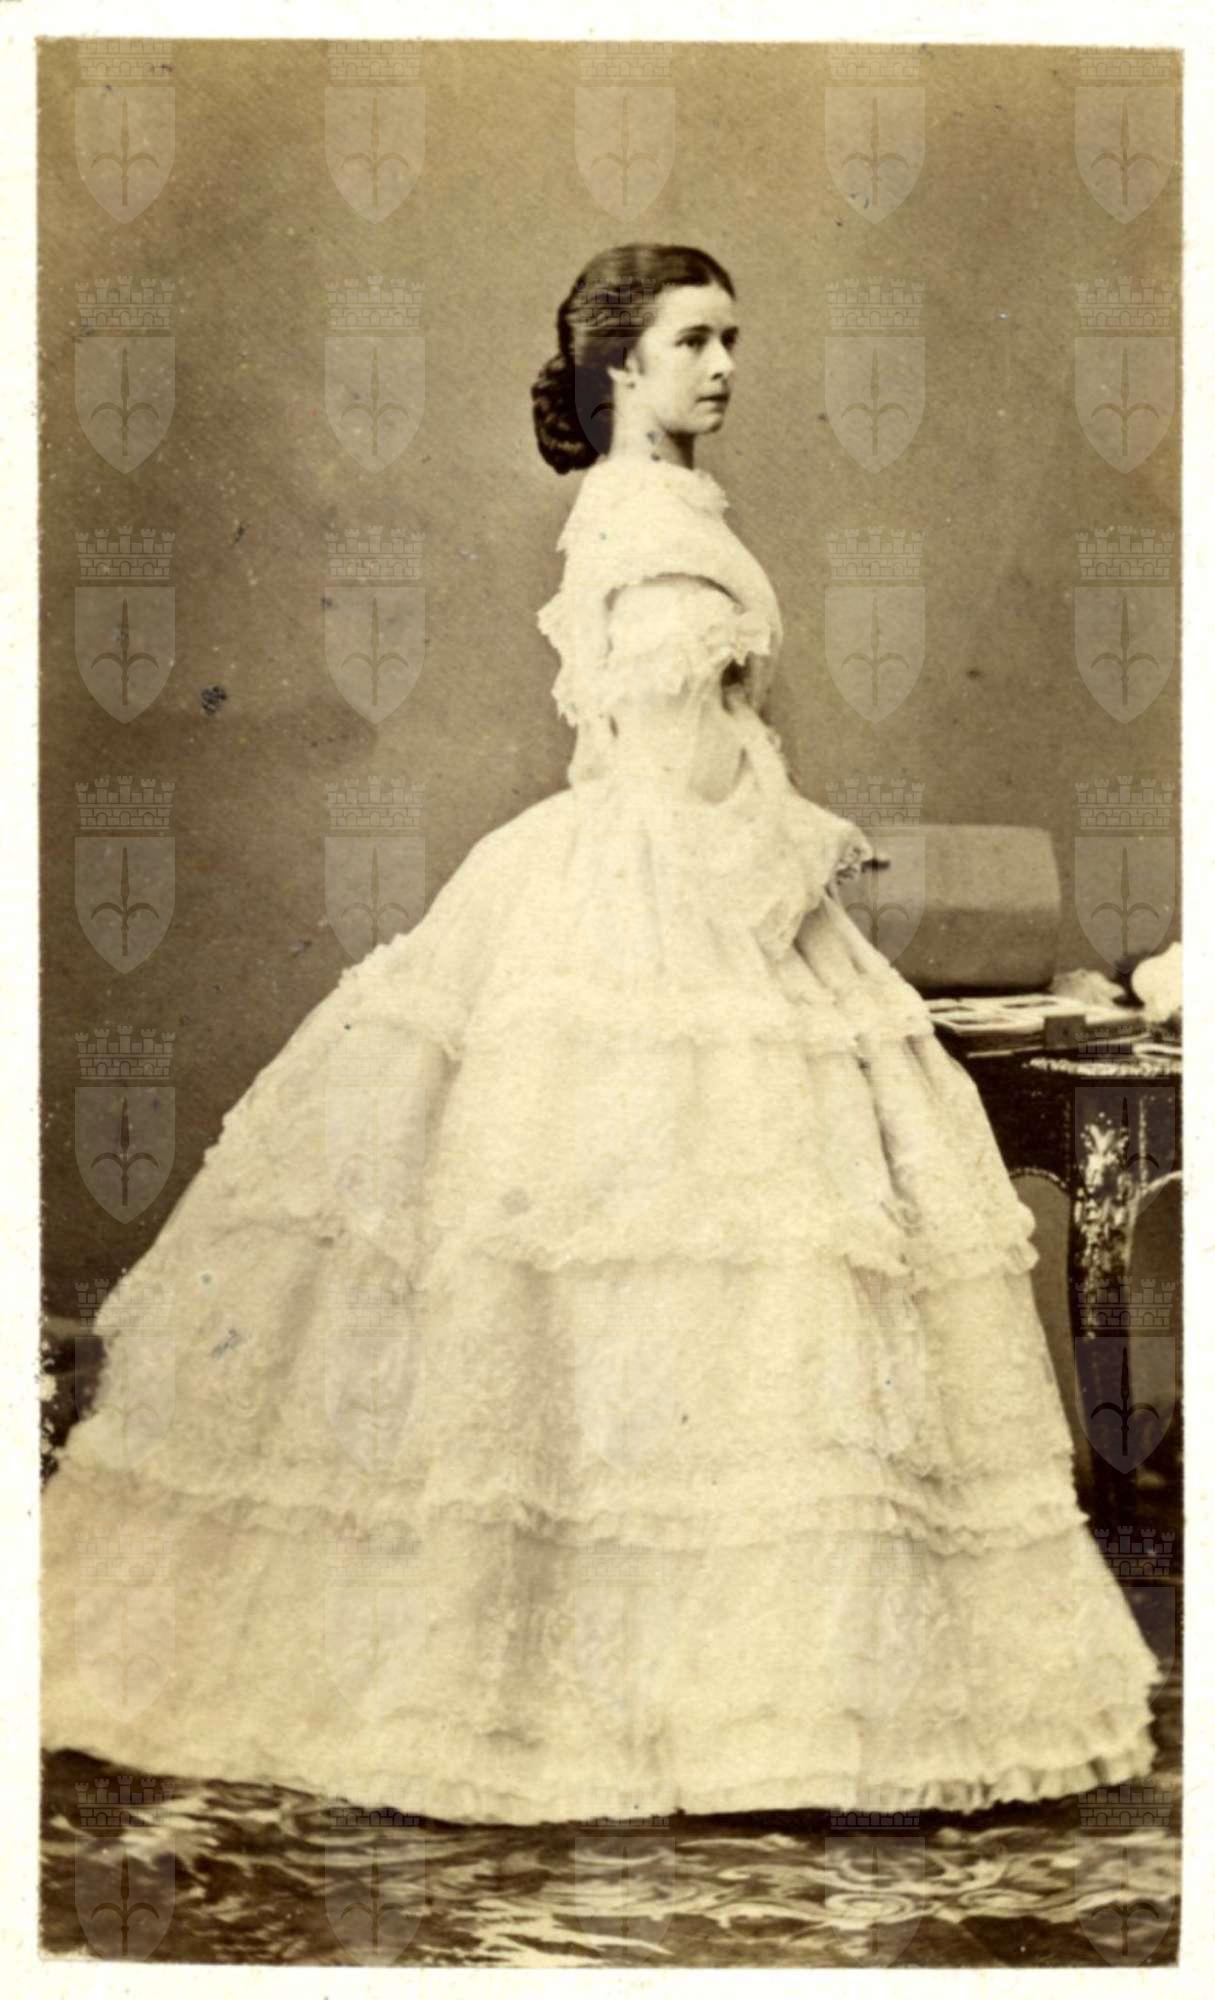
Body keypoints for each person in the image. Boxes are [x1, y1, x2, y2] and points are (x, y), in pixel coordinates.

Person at [41, 242, 1161, 1825]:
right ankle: (709, 1694)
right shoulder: (649, 518)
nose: (726, 366)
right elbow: (686, 764)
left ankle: (693, 1676)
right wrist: (814, 842)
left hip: (632, 869)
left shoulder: (643, 509)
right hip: (666, 886)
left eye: (734, 338)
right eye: (695, 341)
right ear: (620, 364)